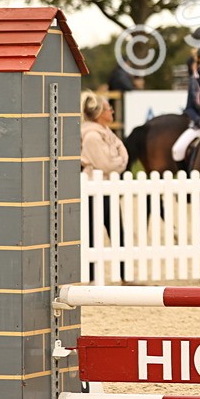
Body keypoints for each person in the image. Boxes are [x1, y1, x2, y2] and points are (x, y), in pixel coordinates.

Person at [81, 91, 129, 282]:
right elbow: (108, 164)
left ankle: (124, 274)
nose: (112, 112)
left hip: (107, 187)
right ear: (101, 113)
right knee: (94, 233)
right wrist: (117, 160)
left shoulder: (106, 133)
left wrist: (117, 160)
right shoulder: (92, 136)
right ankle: (92, 276)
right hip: (95, 190)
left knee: (118, 232)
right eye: (109, 108)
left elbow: (124, 155)